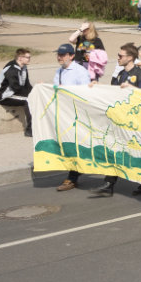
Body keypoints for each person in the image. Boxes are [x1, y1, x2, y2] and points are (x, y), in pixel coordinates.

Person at [51, 44, 91, 191]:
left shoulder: (80, 72)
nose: (59, 57)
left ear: (71, 56)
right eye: (58, 55)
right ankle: (77, 170)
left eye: (62, 55)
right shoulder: (59, 71)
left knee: (75, 146)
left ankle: (72, 178)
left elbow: (85, 93)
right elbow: (56, 89)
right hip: (64, 113)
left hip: (77, 114)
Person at [0, 48, 33, 137]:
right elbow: (16, 87)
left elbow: (27, 85)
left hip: (15, 93)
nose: (29, 59)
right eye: (27, 57)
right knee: (28, 101)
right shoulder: (11, 69)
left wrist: (35, 91)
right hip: (4, 96)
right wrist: (29, 95)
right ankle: (29, 130)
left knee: (34, 97)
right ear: (20, 58)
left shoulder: (23, 67)